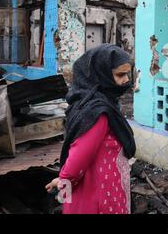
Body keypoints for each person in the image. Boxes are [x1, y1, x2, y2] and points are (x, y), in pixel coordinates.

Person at [46, 44, 136, 214]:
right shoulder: (97, 112)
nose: (126, 80)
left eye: (127, 74)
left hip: (104, 186)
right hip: (97, 193)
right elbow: (80, 154)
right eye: (120, 75)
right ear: (100, 74)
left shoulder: (106, 103)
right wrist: (64, 180)